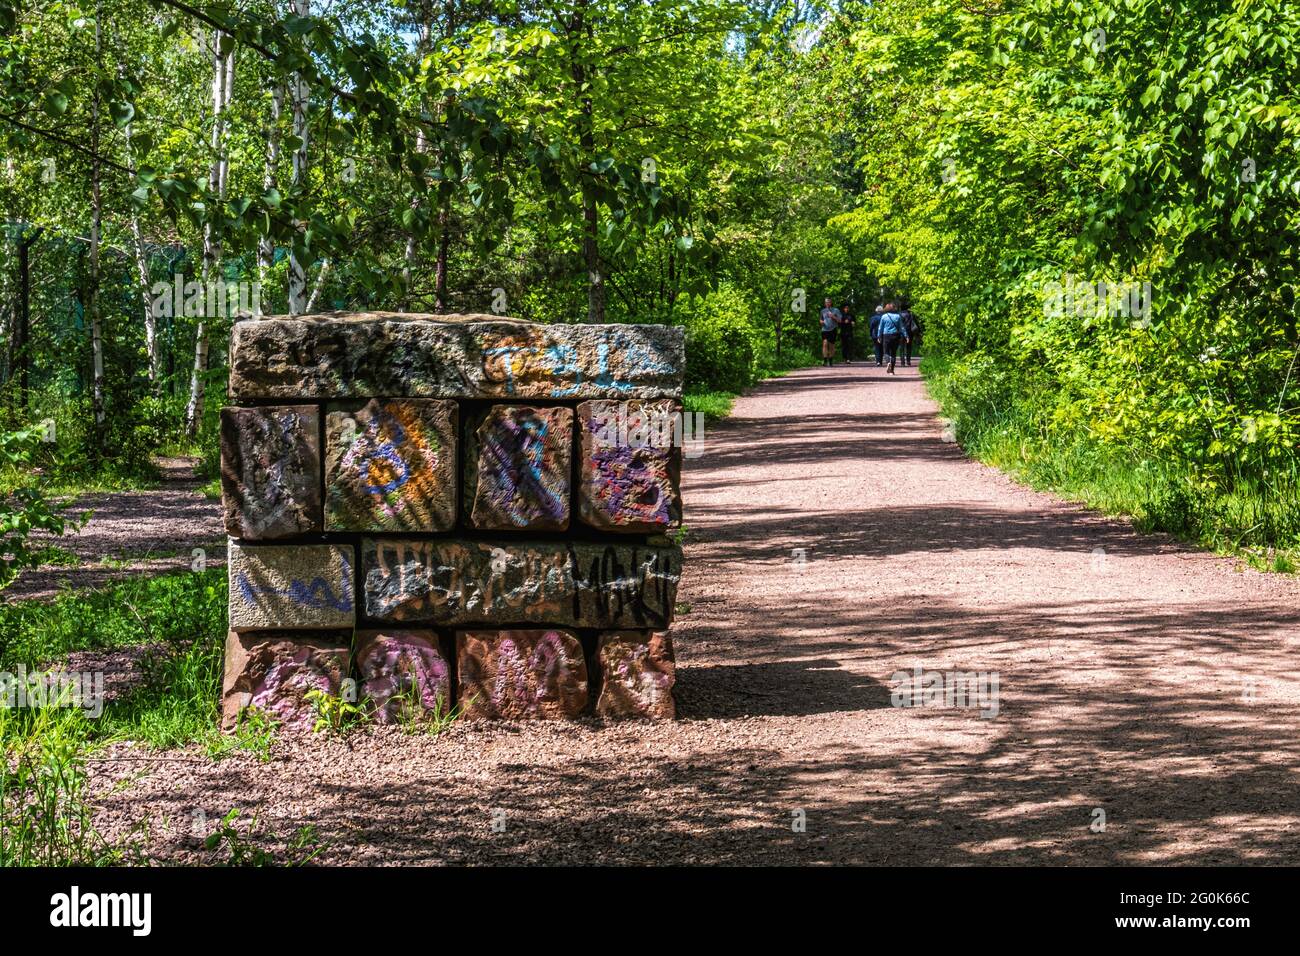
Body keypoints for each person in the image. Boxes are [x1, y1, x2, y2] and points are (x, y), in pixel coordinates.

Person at [875, 302, 910, 374]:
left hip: (886, 336)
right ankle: (892, 371)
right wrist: (906, 336)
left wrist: (879, 336)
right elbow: (902, 328)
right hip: (895, 336)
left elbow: (880, 328)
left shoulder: (884, 316)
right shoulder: (898, 316)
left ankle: (888, 362)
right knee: (893, 353)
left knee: (886, 352)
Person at [818, 298, 841, 366]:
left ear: (831, 303)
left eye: (828, 302)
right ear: (824, 303)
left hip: (833, 329)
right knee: (825, 343)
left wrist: (833, 316)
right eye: (826, 302)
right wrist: (821, 322)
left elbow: (839, 320)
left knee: (831, 345)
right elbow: (821, 319)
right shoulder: (823, 311)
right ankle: (825, 360)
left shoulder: (836, 310)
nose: (827, 303)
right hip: (824, 329)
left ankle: (830, 360)